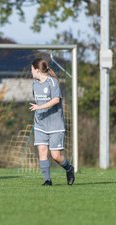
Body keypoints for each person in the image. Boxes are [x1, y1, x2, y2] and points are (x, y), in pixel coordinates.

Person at [29, 57, 75, 186]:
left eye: (32, 69)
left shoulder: (53, 82)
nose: (31, 72)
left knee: (55, 156)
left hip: (55, 124)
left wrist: (39, 107)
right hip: (40, 123)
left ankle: (69, 168)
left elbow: (56, 100)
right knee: (42, 151)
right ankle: (47, 181)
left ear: (37, 70)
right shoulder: (34, 84)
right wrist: (38, 109)